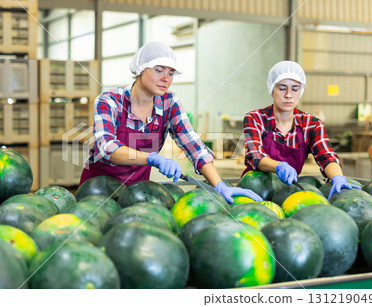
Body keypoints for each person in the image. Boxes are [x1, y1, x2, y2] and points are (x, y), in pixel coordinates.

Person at [80, 41, 261, 203]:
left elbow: (194, 146)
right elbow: (107, 147)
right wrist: (152, 158)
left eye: (171, 73)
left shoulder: (170, 102)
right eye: (159, 70)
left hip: (138, 194)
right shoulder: (110, 100)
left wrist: (220, 185)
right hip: (97, 193)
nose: (166, 78)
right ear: (140, 68)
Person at [242, 60, 360, 199]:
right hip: (253, 192)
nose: (288, 95)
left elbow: (327, 157)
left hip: (288, 194)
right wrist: (278, 166)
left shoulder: (312, 125)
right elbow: (254, 155)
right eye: (282, 88)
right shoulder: (255, 118)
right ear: (271, 89)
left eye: (295, 89)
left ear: (301, 91)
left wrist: (337, 177)